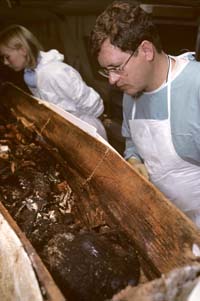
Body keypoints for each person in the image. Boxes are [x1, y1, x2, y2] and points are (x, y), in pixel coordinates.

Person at [90, 0, 200, 227]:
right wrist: (133, 159)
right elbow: (132, 141)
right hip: (166, 216)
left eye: (116, 67)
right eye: (106, 70)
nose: (111, 80)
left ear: (146, 50)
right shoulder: (132, 90)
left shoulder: (195, 86)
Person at [0, 24, 107, 140]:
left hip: (87, 132)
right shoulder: (32, 74)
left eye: (7, 57)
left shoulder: (55, 72)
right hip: (67, 131)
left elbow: (92, 104)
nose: (5, 62)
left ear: (22, 50)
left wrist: (89, 124)